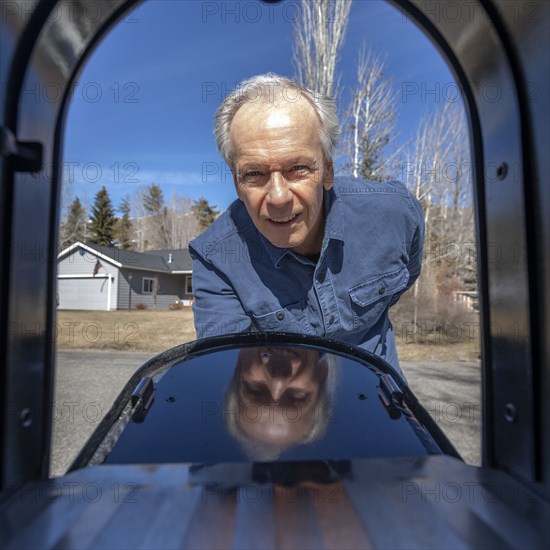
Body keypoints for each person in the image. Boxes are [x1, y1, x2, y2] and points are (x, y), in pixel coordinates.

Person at [189, 73, 424, 375]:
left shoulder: (394, 214)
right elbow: (229, 371)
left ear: (327, 171)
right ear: (237, 184)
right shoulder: (215, 260)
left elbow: (407, 273)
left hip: (381, 402)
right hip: (281, 412)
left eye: (297, 168)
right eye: (254, 174)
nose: (277, 198)